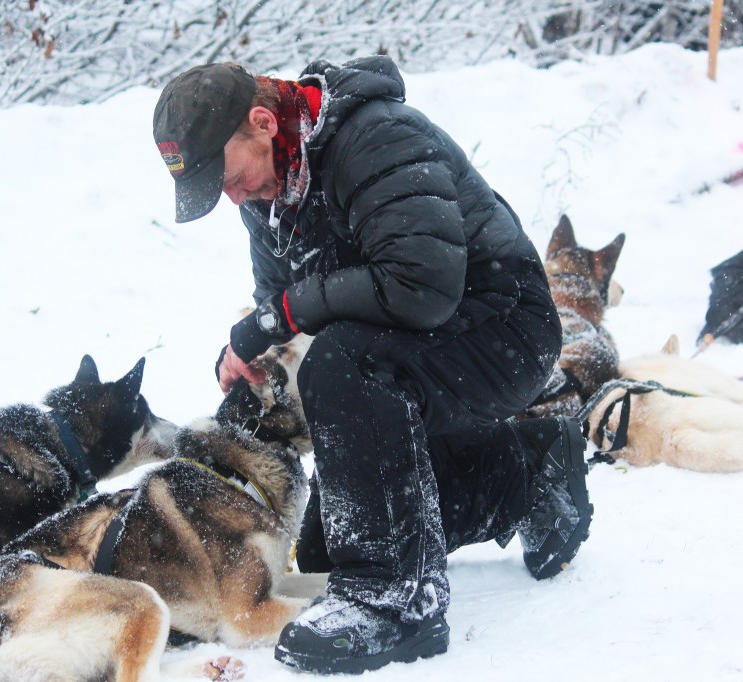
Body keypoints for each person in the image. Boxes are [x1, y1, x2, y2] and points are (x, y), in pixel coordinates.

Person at [153, 58, 593, 674]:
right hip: (416, 343)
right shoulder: (272, 182)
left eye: (225, 176)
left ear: (261, 122)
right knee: (328, 547)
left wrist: (277, 317)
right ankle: (525, 476)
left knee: (341, 365)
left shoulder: (376, 138)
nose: (231, 195)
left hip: (501, 329)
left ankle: (396, 603)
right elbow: (280, 299)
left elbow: (421, 286)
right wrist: (251, 344)